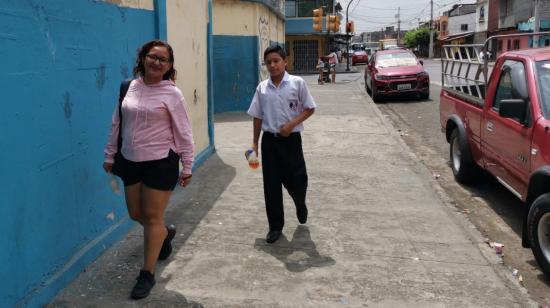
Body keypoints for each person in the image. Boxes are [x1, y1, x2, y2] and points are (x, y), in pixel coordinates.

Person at [103, 40, 194, 299]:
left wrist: (187, 165)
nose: (156, 62)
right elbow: (117, 123)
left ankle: (147, 274)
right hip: (130, 159)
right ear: (143, 58)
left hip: (160, 161)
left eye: (163, 60)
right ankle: (164, 234)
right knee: (135, 214)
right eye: (152, 57)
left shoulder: (172, 94)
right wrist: (110, 154)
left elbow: (184, 132)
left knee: (152, 217)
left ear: (169, 66)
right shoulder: (128, 87)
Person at [247, 45, 316, 244]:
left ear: (285, 61)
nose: (273, 65)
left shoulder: (297, 83)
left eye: (276, 61)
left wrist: (292, 124)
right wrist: (255, 143)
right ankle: (275, 226)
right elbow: (257, 116)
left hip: (292, 140)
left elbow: (310, 108)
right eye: (268, 62)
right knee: (271, 184)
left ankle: (300, 202)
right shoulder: (262, 88)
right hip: (270, 142)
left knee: (298, 178)